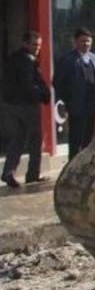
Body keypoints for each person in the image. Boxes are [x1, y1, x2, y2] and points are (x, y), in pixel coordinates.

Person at [1, 32, 51, 188]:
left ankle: (8, 171)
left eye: (39, 45)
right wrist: (43, 94)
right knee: (35, 140)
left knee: (18, 139)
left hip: (11, 104)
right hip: (27, 105)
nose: (37, 48)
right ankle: (32, 175)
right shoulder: (28, 60)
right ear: (25, 44)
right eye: (34, 44)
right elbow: (28, 84)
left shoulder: (13, 58)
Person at [53, 28, 95, 159]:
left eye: (88, 41)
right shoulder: (67, 59)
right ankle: (72, 167)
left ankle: (85, 166)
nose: (85, 44)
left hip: (92, 106)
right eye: (82, 41)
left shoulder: (94, 58)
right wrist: (67, 101)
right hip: (76, 107)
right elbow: (57, 82)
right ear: (75, 42)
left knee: (89, 140)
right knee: (76, 141)